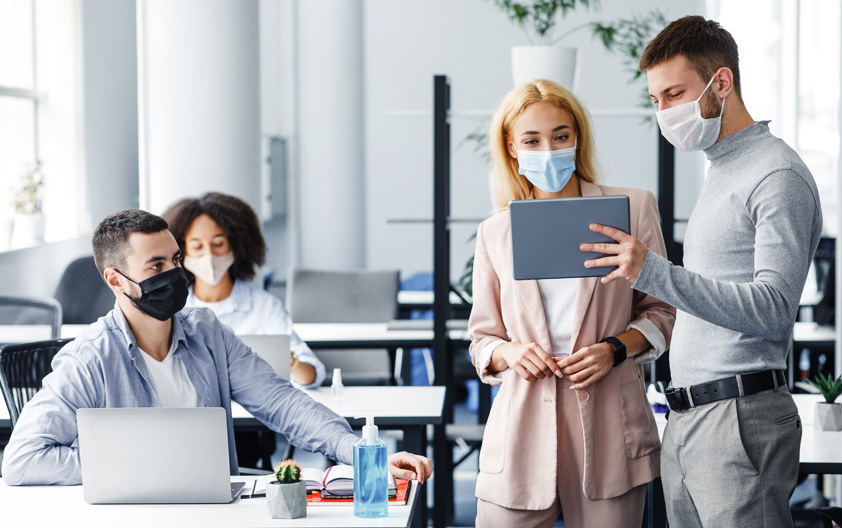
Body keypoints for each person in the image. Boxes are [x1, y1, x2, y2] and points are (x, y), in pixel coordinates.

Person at [581, 16, 823, 528]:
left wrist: (654, 273)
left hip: (738, 416)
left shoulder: (776, 174)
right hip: (689, 418)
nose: (665, 111)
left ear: (722, 82)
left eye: (675, 94)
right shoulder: (724, 168)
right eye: (656, 100)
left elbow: (775, 308)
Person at [1, 209, 432, 486]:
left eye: (174, 261)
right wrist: (127, 462)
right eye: (155, 266)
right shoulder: (89, 358)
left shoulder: (206, 331)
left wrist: (359, 452)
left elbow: (280, 401)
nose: (173, 274)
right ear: (115, 280)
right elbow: (22, 460)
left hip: (214, 507)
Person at [468, 79, 676, 528]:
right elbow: (482, 337)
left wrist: (615, 349)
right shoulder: (496, 232)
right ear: (511, 146)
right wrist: (510, 352)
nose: (548, 149)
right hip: (521, 426)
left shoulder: (633, 209)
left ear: (577, 137)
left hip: (609, 427)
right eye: (532, 139)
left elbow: (664, 311)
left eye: (560, 136)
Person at [162, 192, 326, 470]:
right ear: (180, 252)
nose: (209, 256)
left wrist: (294, 362)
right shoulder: (170, 307)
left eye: (218, 244)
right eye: (197, 246)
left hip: (248, 431)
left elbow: (311, 374)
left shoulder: (263, 306)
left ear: (237, 245)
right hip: (185, 427)